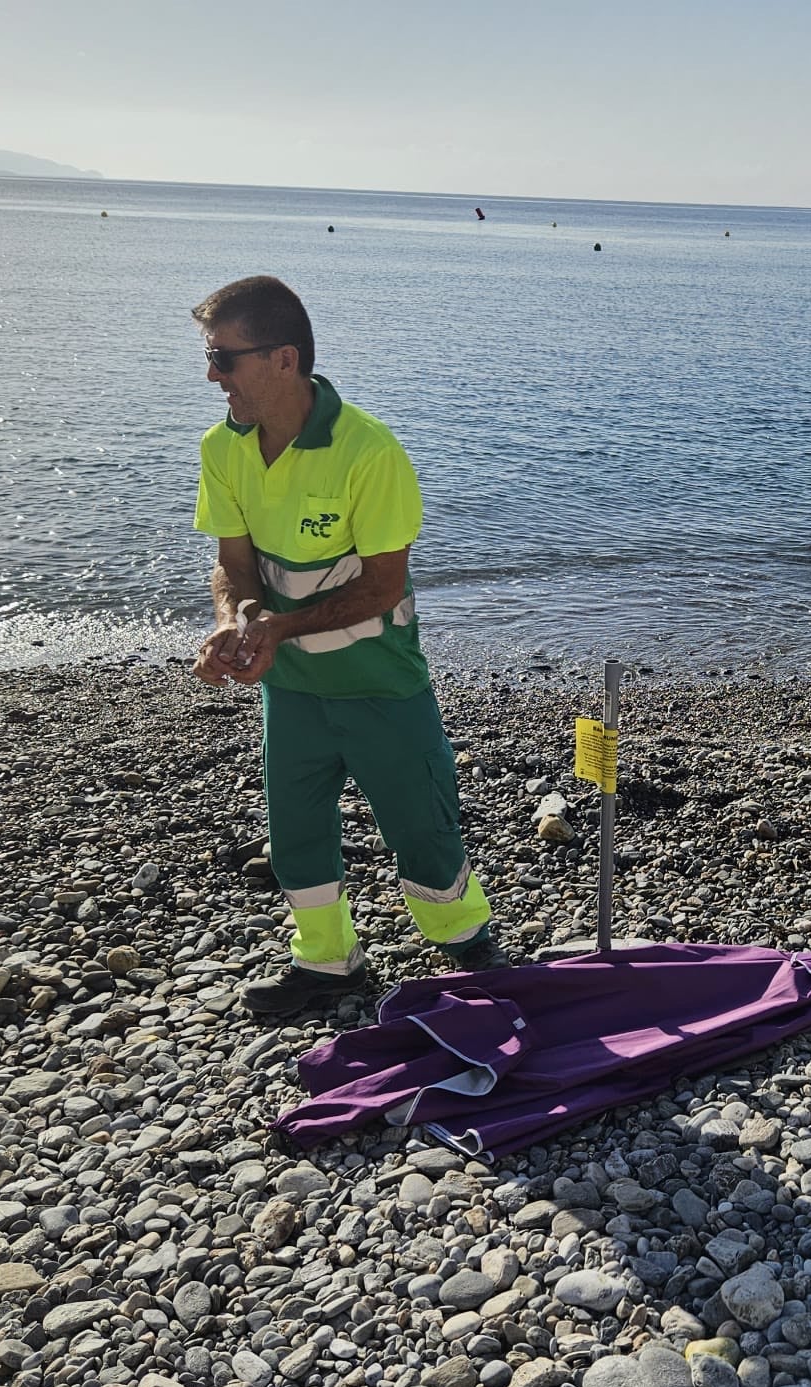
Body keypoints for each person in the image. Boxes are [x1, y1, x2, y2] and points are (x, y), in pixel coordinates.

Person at [189, 275, 504, 1018]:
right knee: (294, 832)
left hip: (379, 685)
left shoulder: (370, 451)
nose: (212, 375)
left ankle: (468, 949)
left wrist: (278, 629)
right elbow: (232, 568)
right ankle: (327, 965)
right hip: (291, 689)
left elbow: (383, 589)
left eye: (224, 359)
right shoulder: (222, 448)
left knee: (422, 827)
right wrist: (235, 623)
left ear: (283, 360)